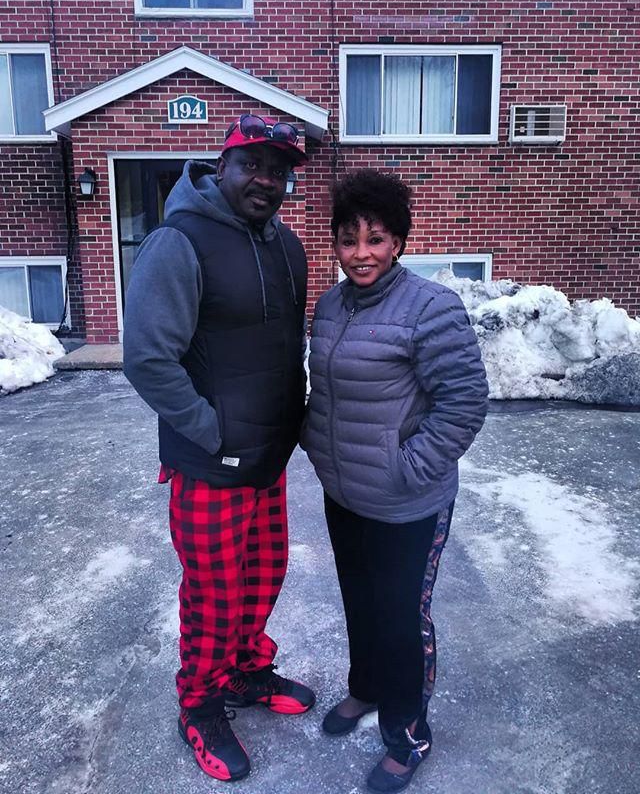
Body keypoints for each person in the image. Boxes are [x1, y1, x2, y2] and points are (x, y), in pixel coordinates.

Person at [123, 113, 315, 783]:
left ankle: (245, 672)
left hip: (267, 459)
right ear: (222, 165)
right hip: (209, 465)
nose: (266, 179)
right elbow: (148, 357)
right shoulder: (179, 241)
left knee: (262, 576)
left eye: (279, 170)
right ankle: (200, 704)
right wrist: (210, 430)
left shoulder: (287, 245)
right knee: (213, 592)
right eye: (252, 164)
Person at [302, 170, 488, 793]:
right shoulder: (331, 307)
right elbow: (327, 392)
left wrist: (407, 468)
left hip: (408, 502)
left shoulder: (431, 307)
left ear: (399, 242)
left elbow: (464, 403)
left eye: (376, 238)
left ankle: (408, 734)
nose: (361, 253)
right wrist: (314, 441)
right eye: (348, 239)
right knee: (359, 599)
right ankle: (366, 687)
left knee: (402, 616)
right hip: (344, 491)